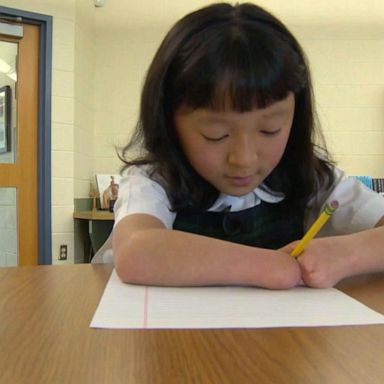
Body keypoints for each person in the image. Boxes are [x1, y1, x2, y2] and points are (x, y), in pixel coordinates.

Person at [111, 2, 384, 289]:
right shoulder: (155, 181)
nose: (243, 159)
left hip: (283, 334)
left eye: (270, 130)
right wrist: (271, 267)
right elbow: (136, 252)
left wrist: (346, 254)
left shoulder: (311, 178)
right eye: (215, 135)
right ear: (168, 122)